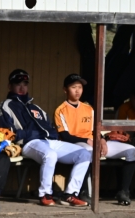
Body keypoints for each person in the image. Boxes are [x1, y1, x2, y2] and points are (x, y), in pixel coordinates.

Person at [0, 69, 90, 206]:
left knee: (84, 154)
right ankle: (45, 194)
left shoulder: (36, 107)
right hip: (28, 144)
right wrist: (32, 134)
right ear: (10, 86)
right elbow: (7, 133)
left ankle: (70, 194)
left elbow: (51, 128)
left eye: (25, 84)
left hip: (48, 141)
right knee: (50, 155)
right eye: (18, 84)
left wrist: (49, 135)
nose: (22, 88)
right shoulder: (5, 105)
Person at [55, 73, 135, 205]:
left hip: (93, 141)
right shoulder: (61, 110)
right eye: (73, 87)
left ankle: (124, 191)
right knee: (87, 151)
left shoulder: (88, 108)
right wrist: (88, 141)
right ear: (65, 90)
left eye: (80, 87)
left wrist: (102, 140)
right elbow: (65, 136)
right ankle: (85, 192)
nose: (77, 90)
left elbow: (95, 130)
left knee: (131, 150)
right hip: (75, 144)